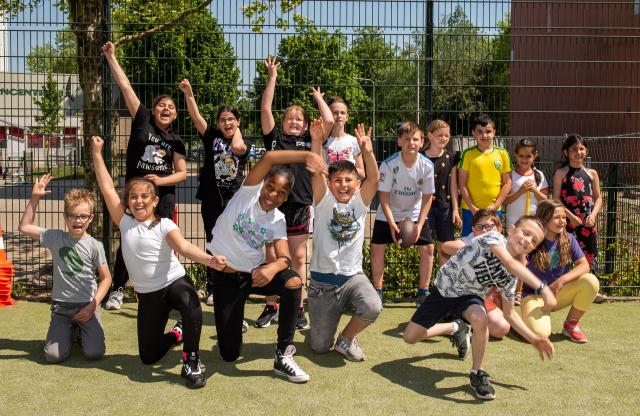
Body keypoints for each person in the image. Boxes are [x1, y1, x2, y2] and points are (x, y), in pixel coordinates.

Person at [92, 136, 225, 389]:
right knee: (148, 356)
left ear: (155, 201)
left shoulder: (164, 224)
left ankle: (191, 361)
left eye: (145, 197)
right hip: (149, 295)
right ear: (128, 202)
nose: (139, 201)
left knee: (190, 300)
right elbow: (107, 188)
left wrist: (209, 259)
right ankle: (178, 333)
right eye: (133, 197)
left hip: (173, 283)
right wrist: (98, 154)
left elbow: (183, 247)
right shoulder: (125, 221)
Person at [206, 148, 328, 383]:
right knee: (228, 354)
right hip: (226, 279)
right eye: (270, 186)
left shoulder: (277, 220)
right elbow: (270, 158)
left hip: (253, 275)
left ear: (285, 198)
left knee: (293, 282)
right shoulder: (247, 192)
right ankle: (233, 321)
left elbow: (285, 258)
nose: (273, 195)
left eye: (281, 193)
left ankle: (283, 354)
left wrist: (271, 268)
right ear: (262, 183)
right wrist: (305, 156)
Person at [403, 216, 556, 400]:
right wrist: (543, 287)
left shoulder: (510, 276)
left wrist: (534, 339)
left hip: (470, 296)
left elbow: (509, 313)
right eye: (525, 233)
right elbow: (509, 262)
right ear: (512, 229)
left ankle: (477, 372)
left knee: (480, 318)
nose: (527, 241)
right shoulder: (493, 238)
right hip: (444, 290)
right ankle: (455, 328)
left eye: (534, 241)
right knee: (410, 337)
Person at [102, 41, 187, 310]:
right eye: (162, 105)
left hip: (163, 196)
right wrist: (111, 57)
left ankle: (163, 285)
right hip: (136, 194)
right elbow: (126, 87)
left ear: (175, 115)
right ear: (154, 109)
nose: (166, 109)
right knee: (129, 239)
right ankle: (117, 288)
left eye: (171, 107)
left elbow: (183, 173)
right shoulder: (142, 122)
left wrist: (161, 181)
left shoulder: (176, 141)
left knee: (163, 241)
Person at [255, 57, 334, 329]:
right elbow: (265, 108)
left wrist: (319, 99)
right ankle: (271, 306)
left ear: (304, 123)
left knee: (298, 257)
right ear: (284, 121)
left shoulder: (311, 140)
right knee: (272, 257)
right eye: (290, 118)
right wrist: (272, 76)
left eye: (299, 118)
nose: (295, 121)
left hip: (300, 204)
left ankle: (298, 307)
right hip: (272, 206)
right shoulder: (275, 139)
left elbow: (328, 120)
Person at [307, 120, 381, 361]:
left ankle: (346, 339)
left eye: (349, 180)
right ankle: (325, 323)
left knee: (373, 305)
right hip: (322, 285)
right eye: (337, 180)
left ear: (356, 184)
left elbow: (374, 179)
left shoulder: (360, 202)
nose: (343, 185)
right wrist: (317, 141)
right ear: (330, 183)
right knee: (318, 346)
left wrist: (367, 152)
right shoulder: (323, 201)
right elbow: (317, 170)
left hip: (352, 278)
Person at [19, 174, 111, 364]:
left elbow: (106, 278)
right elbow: (25, 227)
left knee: (94, 353)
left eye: (83, 216)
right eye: (73, 215)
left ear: (91, 218)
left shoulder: (95, 246)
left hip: (87, 306)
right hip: (61, 309)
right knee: (53, 356)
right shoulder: (56, 238)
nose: (78, 220)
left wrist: (93, 305)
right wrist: (35, 197)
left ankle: (80, 331)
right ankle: (69, 330)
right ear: (65, 217)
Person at [179, 79, 251, 307]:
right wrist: (189, 93)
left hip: (233, 198)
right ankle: (213, 286)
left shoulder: (244, 140)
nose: (227, 123)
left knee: (236, 239)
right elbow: (196, 118)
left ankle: (236, 282)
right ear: (218, 123)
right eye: (223, 120)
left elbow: (238, 149)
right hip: (211, 197)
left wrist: (235, 131)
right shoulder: (211, 137)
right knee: (212, 240)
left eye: (231, 119)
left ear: (238, 122)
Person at [370, 122, 435, 303]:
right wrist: (392, 224)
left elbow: (428, 198)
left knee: (428, 248)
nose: (411, 143)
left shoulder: (427, 166)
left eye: (415, 139)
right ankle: (378, 292)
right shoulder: (388, 165)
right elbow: (383, 197)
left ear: (422, 142)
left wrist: (419, 226)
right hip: (388, 212)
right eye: (406, 139)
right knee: (376, 248)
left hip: (414, 213)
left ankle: (423, 292)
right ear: (399, 141)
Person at [521, 199, 599, 343]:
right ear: (543, 219)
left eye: (563, 217)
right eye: (556, 217)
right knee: (541, 335)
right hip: (534, 296)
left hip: (557, 294)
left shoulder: (568, 238)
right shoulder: (531, 240)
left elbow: (584, 265)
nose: (562, 221)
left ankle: (571, 324)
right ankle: (523, 319)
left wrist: (561, 281)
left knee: (590, 281)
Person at [440, 209, 512, 340]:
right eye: (479, 227)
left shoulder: (504, 245)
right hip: (464, 295)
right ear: (473, 229)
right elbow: (446, 247)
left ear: (499, 228)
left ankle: (462, 323)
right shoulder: (471, 240)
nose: (484, 231)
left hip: (484, 297)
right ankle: (457, 316)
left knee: (502, 328)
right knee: (501, 326)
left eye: (489, 226)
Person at [552, 134, 605, 303]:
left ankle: (591, 289)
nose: (578, 152)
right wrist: (571, 216)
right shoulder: (561, 173)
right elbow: (556, 199)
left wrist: (593, 215)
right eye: (574, 149)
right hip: (566, 222)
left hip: (587, 222)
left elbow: (598, 197)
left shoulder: (592, 174)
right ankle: (561, 290)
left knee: (589, 254)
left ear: (586, 151)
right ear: (566, 152)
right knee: (564, 254)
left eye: (581, 148)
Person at [420, 119, 461, 307]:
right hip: (424, 209)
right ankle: (424, 289)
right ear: (429, 136)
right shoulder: (419, 156)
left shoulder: (451, 158)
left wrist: (455, 209)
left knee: (444, 248)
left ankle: (445, 288)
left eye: (446, 135)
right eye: (439, 135)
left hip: (445, 207)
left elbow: (454, 184)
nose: (443, 138)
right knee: (427, 248)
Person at [504, 138, 548, 303]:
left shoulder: (539, 176)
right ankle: (508, 290)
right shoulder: (510, 175)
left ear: (534, 156)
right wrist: (521, 191)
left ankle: (518, 291)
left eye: (528, 156)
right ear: (515, 155)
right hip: (514, 224)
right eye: (521, 156)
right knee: (511, 257)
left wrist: (534, 191)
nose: (524, 159)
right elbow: (505, 200)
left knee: (523, 258)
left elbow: (545, 200)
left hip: (532, 226)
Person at [458, 114, 512, 237]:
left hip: (493, 211)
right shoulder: (468, 154)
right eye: (480, 132)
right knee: (469, 244)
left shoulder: (502, 154)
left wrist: (495, 206)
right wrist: (472, 208)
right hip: (470, 210)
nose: (484, 135)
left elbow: (508, 183)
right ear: (473, 133)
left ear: (494, 133)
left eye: (488, 131)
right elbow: (462, 184)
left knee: (493, 244)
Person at [321, 96, 365, 178]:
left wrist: (345, 168)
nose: (339, 116)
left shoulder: (354, 141)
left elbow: (362, 174)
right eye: (335, 112)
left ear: (347, 116)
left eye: (342, 113)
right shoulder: (321, 140)